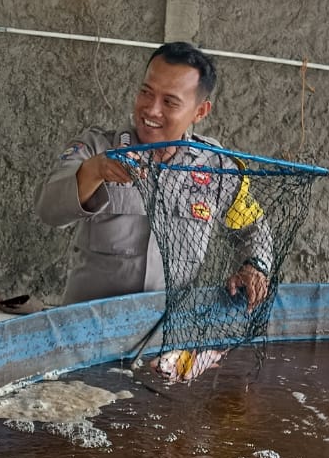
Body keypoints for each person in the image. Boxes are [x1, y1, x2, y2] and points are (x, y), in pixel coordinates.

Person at [35, 42, 272, 308]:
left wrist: (254, 266)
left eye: (169, 102)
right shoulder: (98, 148)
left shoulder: (216, 168)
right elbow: (48, 210)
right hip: (89, 326)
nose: (151, 109)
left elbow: (253, 227)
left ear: (200, 111)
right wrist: (94, 170)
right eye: (146, 92)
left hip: (169, 327)